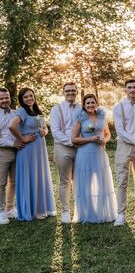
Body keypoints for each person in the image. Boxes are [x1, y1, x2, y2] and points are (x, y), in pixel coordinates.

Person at [9, 87, 55, 220]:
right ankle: (31, 210)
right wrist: (22, 139)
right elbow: (12, 126)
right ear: (21, 100)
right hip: (28, 150)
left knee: (39, 176)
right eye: (25, 97)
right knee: (29, 177)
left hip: (39, 149)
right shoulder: (22, 111)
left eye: (31, 95)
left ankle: (41, 208)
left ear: (34, 96)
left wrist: (44, 132)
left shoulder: (36, 111)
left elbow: (44, 128)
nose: (29, 98)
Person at [71, 94, 117, 223]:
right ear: (84, 105)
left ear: (97, 103)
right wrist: (90, 139)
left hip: (100, 154)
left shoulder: (102, 116)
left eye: (93, 102)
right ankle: (87, 213)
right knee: (86, 184)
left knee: (103, 183)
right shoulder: (80, 118)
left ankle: (102, 212)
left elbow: (107, 134)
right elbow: (73, 139)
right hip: (85, 154)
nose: (90, 105)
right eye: (88, 103)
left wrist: (104, 141)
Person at [112, 78, 135, 226]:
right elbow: (120, 130)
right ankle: (121, 214)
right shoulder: (118, 107)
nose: (132, 89)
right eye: (129, 87)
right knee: (122, 181)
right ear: (125, 90)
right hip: (124, 146)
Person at [50, 82, 79, 224]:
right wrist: (71, 141)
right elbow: (55, 131)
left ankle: (80, 208)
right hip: (63, 146)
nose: (70, 93)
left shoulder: (82, 108)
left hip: (81, 147)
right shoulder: (56, 109)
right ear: (63, 92)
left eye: (73, 90)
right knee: (64, 180)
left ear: (77, 92)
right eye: (67, 91)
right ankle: (65, 211)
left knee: (79, 179)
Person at [0, 88, 18, 224]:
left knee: (14, 182)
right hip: (2, 152)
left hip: (18, 152)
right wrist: (13, 144)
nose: (5, 100)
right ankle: (0, 212)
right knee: (1, 183)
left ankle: (10, 208)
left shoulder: (15, 113)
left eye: (6, 97)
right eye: (1, 98)